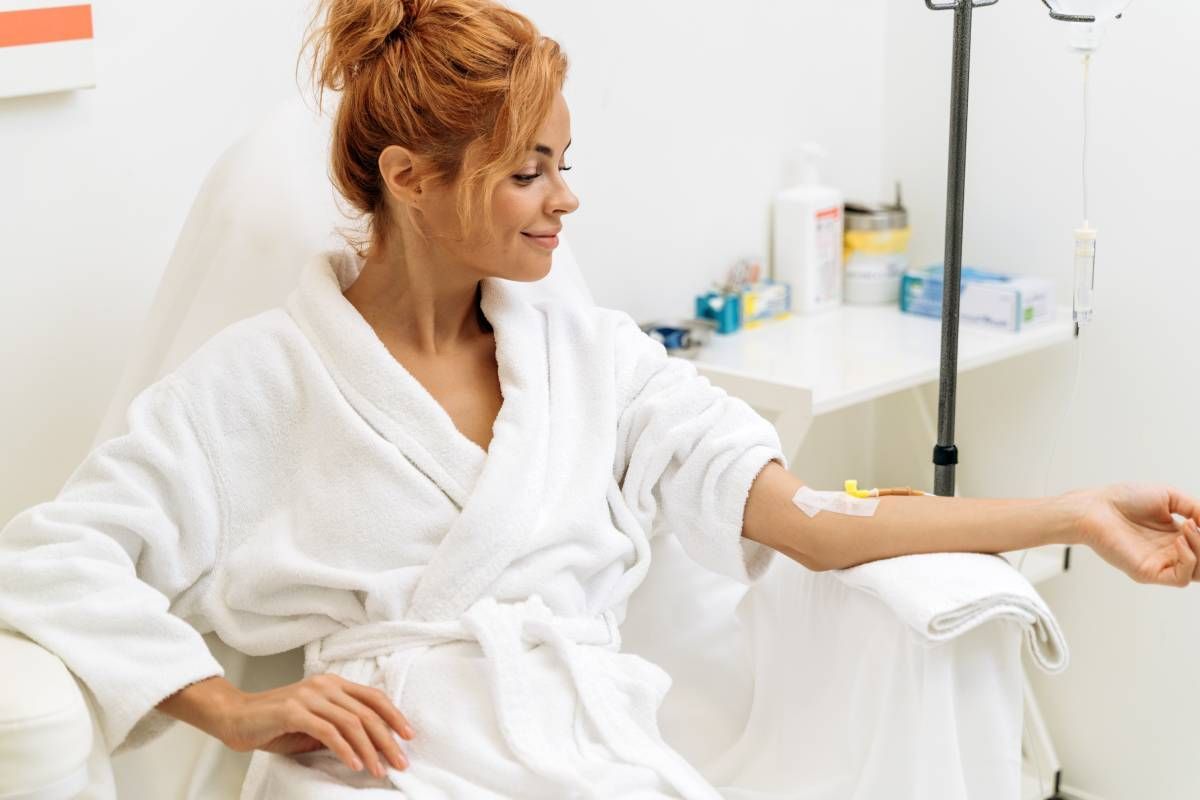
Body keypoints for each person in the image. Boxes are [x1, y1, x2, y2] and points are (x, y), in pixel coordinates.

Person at [1, 0, 1197, 796]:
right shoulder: (259, 378)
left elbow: (817, 519)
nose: (566, 201)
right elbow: (53, 559)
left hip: (589, 755)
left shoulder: (591, 358)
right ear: (411, 180)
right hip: (391, 768)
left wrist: (1071, 511)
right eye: (527, 172)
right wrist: (228, 708)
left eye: (563, 164)